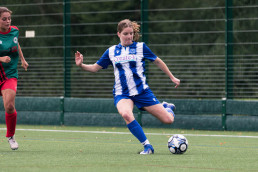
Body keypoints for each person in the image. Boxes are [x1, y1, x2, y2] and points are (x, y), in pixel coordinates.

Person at [75, 19, 180, 154]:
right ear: (118, 34)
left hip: (142, 92)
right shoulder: (111, 51)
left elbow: (158, 61)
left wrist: (172, 77)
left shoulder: (141, 47)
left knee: (168, 120)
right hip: (122, 93)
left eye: (131, 33)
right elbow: (95, 68)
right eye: (125, 34)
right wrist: (81, 65)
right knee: (126, 114)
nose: (129, 36)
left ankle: (168, 107)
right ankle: (148, 147)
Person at [0, 7, 29, 150]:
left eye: (9, 19)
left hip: (9, 74)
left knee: (9, 106)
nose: (7, 21)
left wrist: (23, 59)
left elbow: (16, 43)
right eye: (4, 19)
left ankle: (10, 136)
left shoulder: (14, 30)